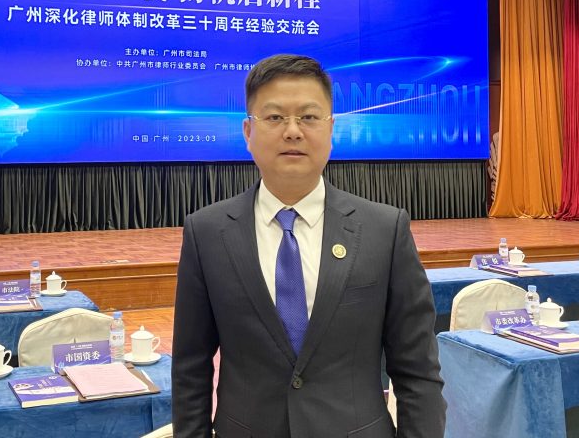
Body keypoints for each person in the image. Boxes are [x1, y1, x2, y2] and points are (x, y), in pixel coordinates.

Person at [172, 54, 446, 437]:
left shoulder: (384, 230)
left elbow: (417, 371)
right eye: (274, 117)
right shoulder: (207, 232)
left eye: (308, 117)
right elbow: (190, 368)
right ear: (248, 132)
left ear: (331, 129)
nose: (292, 131)